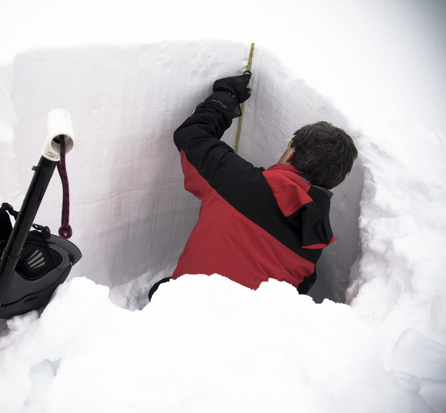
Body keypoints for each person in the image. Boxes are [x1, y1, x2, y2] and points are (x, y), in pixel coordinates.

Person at [149, 71, 357, 300]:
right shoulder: (314, 243)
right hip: (247, 322)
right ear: (332, 181)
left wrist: (226, 97)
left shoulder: (234, 178)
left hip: (185, 307)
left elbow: (192, 136)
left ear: (291, 152)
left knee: (161, 291)